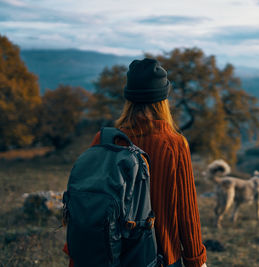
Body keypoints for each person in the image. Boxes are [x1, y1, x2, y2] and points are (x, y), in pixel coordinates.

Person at [64, 58, 207, 267]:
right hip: (160, 257)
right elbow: (187, 212)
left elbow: (88, 198)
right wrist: (196, 261)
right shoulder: (174, 145)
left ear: (129, 98)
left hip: (108, 254)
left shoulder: (105, 140)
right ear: (163, 100)